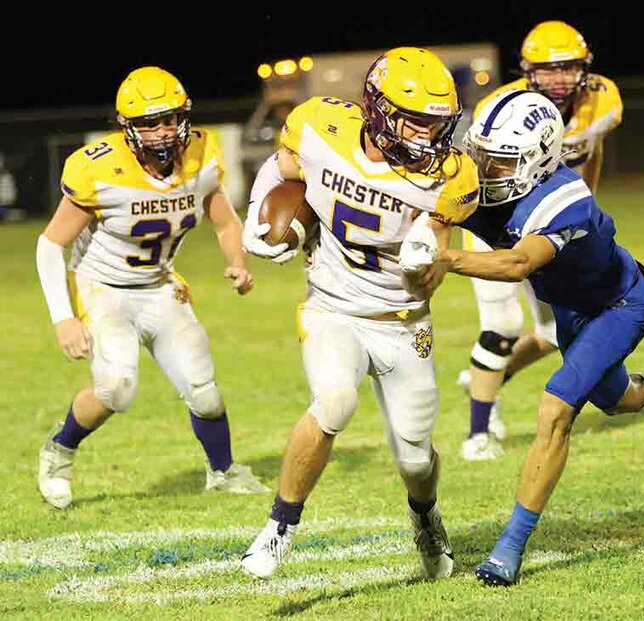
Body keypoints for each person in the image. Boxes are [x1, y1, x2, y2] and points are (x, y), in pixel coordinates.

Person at [409, 89, 644, 586]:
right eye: (482, 155)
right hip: (570, 307)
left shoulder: (567, 200)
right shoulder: (485, 176)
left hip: (618, 304)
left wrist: (448, 260)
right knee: (615, 398)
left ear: (537, 160)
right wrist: (429, 243)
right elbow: (441, 215)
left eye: (499, 161)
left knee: (556, 409)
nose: (486, 168)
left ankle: (510, 547)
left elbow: (518, 263)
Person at [238, 47, 480, 580]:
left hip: (403, 321)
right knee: (335, 400)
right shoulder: (320, 127)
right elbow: (279, 171)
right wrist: (258, 219)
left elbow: (439, 232)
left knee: (416, 460)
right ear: (379, 109)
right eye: (416, 122)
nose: (429, 137)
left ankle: (425, 514)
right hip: (333, 307)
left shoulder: (450, 173)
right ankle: (279, 528)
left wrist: (428, 250)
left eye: (438, 125)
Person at [34, 67, 268, 510]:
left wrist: (237, 261)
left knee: (204, 390)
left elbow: (223, 220)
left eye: (167, 120)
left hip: (160, 284)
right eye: (146, 123)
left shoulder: (201, 153)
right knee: (115, 390)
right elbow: (50, 244)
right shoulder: (98, 168)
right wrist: (63, 317)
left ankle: (222, 471)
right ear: (127, 126)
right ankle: (59, 452)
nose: (160, 133)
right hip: (103, 286)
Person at [457, 20, 624, 460]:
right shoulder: (501, 107)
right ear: (527, 71)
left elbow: (590, 153)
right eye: (547, 70)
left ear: (584, 68)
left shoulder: (603, 100)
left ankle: (488, 376)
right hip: (496, 223)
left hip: (547, 225)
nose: (558, 79)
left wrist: (584, 205)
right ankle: (479, 430)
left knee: (555, 329)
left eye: (567, 67)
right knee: (503, 326)